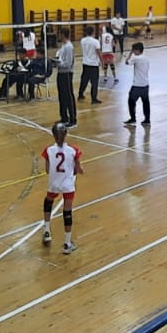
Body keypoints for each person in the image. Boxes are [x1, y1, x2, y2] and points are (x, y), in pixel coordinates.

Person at [40, 122, 83, 254]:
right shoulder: (73, 151)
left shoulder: (48, 150)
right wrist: (77, 170)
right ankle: (67, 243)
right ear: (66, 134)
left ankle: (47, 231)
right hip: (68, 185)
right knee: (67, 212)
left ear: (53, 135)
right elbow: (78, 170)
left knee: (48, 201)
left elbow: (47, 169)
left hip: (54, 183)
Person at [123, 43, 152, 126]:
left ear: (137, 50)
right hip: (145, 84)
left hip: (137, 85)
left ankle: (133, 118)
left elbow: (127, 62)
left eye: (134, 50)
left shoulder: (136, 58)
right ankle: (147, 119)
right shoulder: (146, 58)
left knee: (131, 101)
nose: (133, 52)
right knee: (146, 102)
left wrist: (130, 53)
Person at [55, 32, 78, 127]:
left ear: (63, 35)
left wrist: (58, 64)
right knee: (62, 96)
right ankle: (64, 117)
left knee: (68, 96)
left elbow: (68, 63)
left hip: (66, 74)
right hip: (60, 73)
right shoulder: (63, 46)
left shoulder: (69, 47)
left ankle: (73, 120)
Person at [78, 26, 102, 103]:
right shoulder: (95, 42)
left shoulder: (83, 40)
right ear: (93, 32)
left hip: (85, 63)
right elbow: (98, 52)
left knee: (84, 80)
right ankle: (94, 98)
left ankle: (80, 94)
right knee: (94, 82)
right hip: (93, 64)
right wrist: (102, 61)